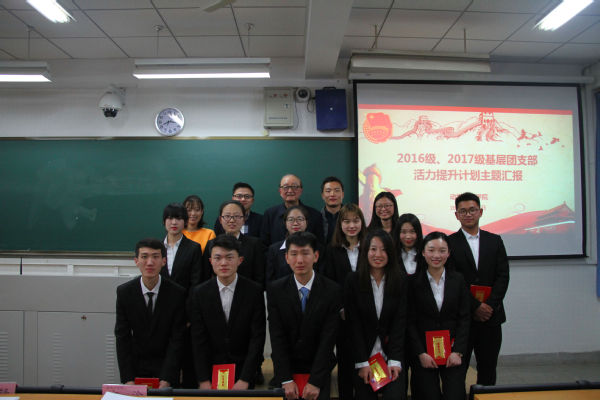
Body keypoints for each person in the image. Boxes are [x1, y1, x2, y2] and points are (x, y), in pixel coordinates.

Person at [267, 231, 342, 400]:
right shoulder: (276, 290)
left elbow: (328, 340)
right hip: (288, 368)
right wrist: (286, 379)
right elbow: (277, 337)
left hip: (318, 369)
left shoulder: (332, 290)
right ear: (286, 258)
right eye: (294, 254)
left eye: (305, 253)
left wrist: (315, 381)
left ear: (316, 256)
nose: (299, 260)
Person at [448, 192, 509, 386]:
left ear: (480, 212)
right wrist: (475, 306)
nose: (468, 214)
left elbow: (503, 276)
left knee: (488, 369)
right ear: (456, 215)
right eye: (463, 211)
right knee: (458, 371)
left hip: (491, 317)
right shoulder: (449, 243)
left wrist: (489, 306)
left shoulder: (495, 241)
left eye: (472, 210)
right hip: (463, 318)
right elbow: (452, 281)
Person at [190, 234, 266, 390]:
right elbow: (198, 340)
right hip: (210, 370)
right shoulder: (200, 293)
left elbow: (257, 338)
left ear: (240, 260)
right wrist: (203, 379)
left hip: (243, 371)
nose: (223, 263)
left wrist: (245, 378)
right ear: (210, 261)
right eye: (218, 258)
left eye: (229, 257)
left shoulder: (254, 291)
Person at [344, 229, 407, 400]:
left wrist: (394, 360)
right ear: (365, 251)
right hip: (363, 357)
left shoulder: (400, 280)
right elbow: (353, 325)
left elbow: (400, 323)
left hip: (391, 356)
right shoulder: (353, 281)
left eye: (384, 250)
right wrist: (362, 362)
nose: (378, 254)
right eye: (373, 249)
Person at [115, 238, 186, 388]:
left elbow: (177, 339)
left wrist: (167, 378)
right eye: (144, 257)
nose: (150, 262)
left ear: (164, 261)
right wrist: (128, 379)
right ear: (136, 261)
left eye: (155, 257)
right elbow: (123, 338)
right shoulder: (124, 293)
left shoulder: (177, 293)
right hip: (136, 370)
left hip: (166, 370)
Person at [408, 232, 470, 400]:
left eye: (442, 251)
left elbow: (465, 318)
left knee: (455, 395)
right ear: (423, 252)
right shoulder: (412, 283)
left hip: (452, 353)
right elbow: (409, 321)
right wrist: (421, 353)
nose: (436, 255)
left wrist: (458, 351)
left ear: (448, 253)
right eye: (431, 250)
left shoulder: (458, 280)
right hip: (424, 355)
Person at [323, 203, 367, 400]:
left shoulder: (370, 248)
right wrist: (341, 308)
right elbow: (330, 284)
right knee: (346, 361)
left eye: (356, 221)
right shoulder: (332, 250)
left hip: (368, 314)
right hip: (343, 316)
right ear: (340, 224)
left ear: (362, 223)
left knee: (365, 361)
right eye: (346, 221)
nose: (351, 225)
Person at [203, 200, 266, 287]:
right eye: (227, 216)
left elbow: (259, 276)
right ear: (220, 220)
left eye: (237, 216)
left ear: (244, 219)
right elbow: (205, 276)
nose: (232, 220)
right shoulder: (211, 244)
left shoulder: (254, 244)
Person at [261, 174, 324, 246]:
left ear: (301, 190)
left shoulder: (315, 215)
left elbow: (319, 245)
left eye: (294, 187)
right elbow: (264, 244)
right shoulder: (270, 214)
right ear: (280, 191)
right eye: (285, 187)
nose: (290, 190)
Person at [266, 205, 324, 282]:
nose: (295, 223)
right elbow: (270, 280)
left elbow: (322, 277)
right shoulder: (274, 250)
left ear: (306, 222)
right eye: (291, 220)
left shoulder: (317, 248)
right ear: (285, 223)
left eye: (300, 219)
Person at [160, 203, 203, 290]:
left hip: (185, 296)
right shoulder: (157, 248)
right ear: (164, 221)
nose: (174, 222)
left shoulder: (194, 248)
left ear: (185, 222)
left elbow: (196, 281)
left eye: (179, 218)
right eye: (170, 218)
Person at [320, 176, 345, 244]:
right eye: (328, 191)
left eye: (337, 190)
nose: (332, 194)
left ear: (342, 194)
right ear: (322, 195)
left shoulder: (351, 217)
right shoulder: (316, 218)